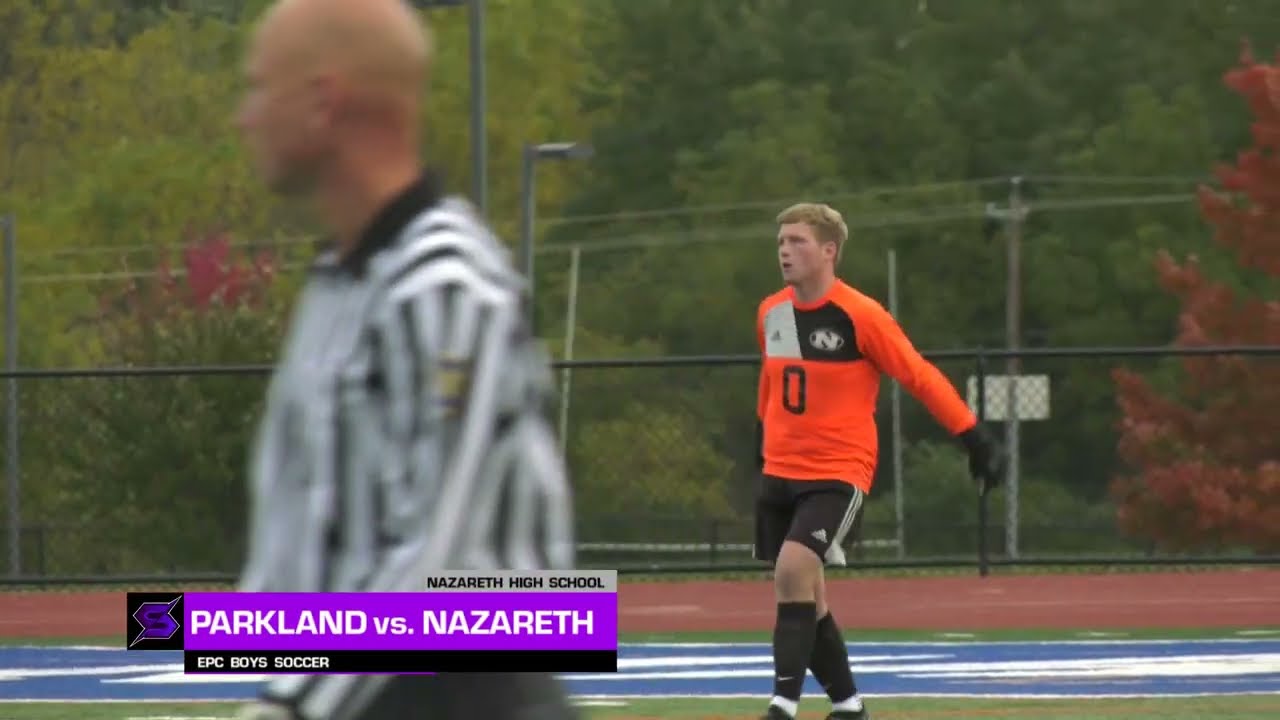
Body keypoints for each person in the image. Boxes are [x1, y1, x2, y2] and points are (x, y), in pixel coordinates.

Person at [231, 1, 578, 718]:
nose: (246, 117)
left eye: (260, 88)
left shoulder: (447, 284)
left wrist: (297, 706)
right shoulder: (338, 284)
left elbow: (439, 554)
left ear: (325, 101)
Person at [752, 203, 1003, 720]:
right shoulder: (771, 312)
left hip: (837, 472)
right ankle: (849, 707)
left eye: (798, 241)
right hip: (781, 470)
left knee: (792, 572)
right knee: (809, 596)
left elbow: (918, 374)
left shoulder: (860, 315)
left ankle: (782, 706)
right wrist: (763, 441)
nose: (785, 249)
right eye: (781, 240)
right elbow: (771, 384)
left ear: (829, 251)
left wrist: (973, 436)